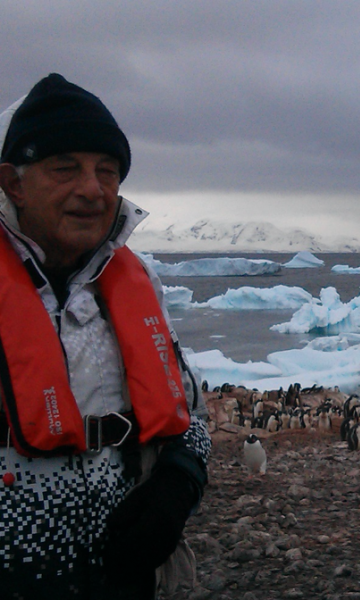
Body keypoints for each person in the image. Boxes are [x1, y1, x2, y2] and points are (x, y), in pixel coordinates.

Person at [0, 73, 211, 599]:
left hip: (122, 572)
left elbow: (191, 409)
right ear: (13, 183)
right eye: (64, 168)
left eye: (107, 171)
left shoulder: (134, 287)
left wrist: (178, 482)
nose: (92, 189)